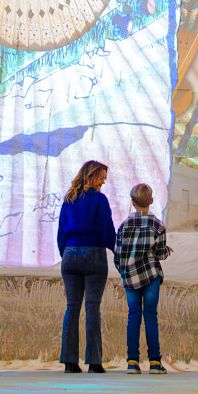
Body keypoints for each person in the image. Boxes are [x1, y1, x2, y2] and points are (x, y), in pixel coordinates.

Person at [56, 159, 115, 373]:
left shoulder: (68, 199)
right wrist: (115, 249)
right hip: (93, 255)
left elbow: (61, 232)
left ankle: (70, 362)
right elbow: (106, 229)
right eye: (101, 177)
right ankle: (94, 362)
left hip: (70, 255)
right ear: (91, 176)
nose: (103, 182)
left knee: (72, 308)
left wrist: (66, 252)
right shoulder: (99, 200)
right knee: (92, 308)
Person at [114, 183, 171, 375]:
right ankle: (155, 362)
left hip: (130, 277)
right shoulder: (158, 225)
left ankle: (132, 362)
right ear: (152, 201)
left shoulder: (124, 225)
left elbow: (118, 255)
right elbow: (161, 254)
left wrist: (124, 271)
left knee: (133, 316)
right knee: (150, 316)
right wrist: (165, 250)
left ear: (132, 202)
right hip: (151, 276)